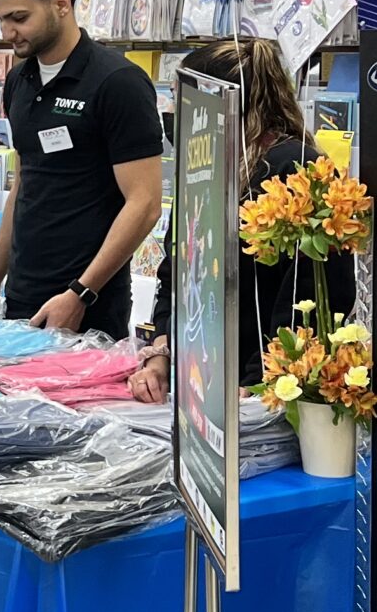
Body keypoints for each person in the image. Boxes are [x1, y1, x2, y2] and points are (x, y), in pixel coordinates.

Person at [133, 36, 348, 402]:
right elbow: (176, 271)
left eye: (180, 98)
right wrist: (161, 351)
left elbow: (308, 296)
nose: (173, 112)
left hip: (259, 395)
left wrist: (260, 381)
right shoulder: (207, 166)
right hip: (199, 386)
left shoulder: (295, 168)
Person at [0, 0, 165, 337]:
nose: (7, 32)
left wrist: (81, 292)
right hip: (21, 294)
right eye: (1, 19)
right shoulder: (19, 79)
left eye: (19, 17)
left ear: (62, 4)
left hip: (87, 304)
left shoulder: (118, 83)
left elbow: (145, 204)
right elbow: (26, 180)